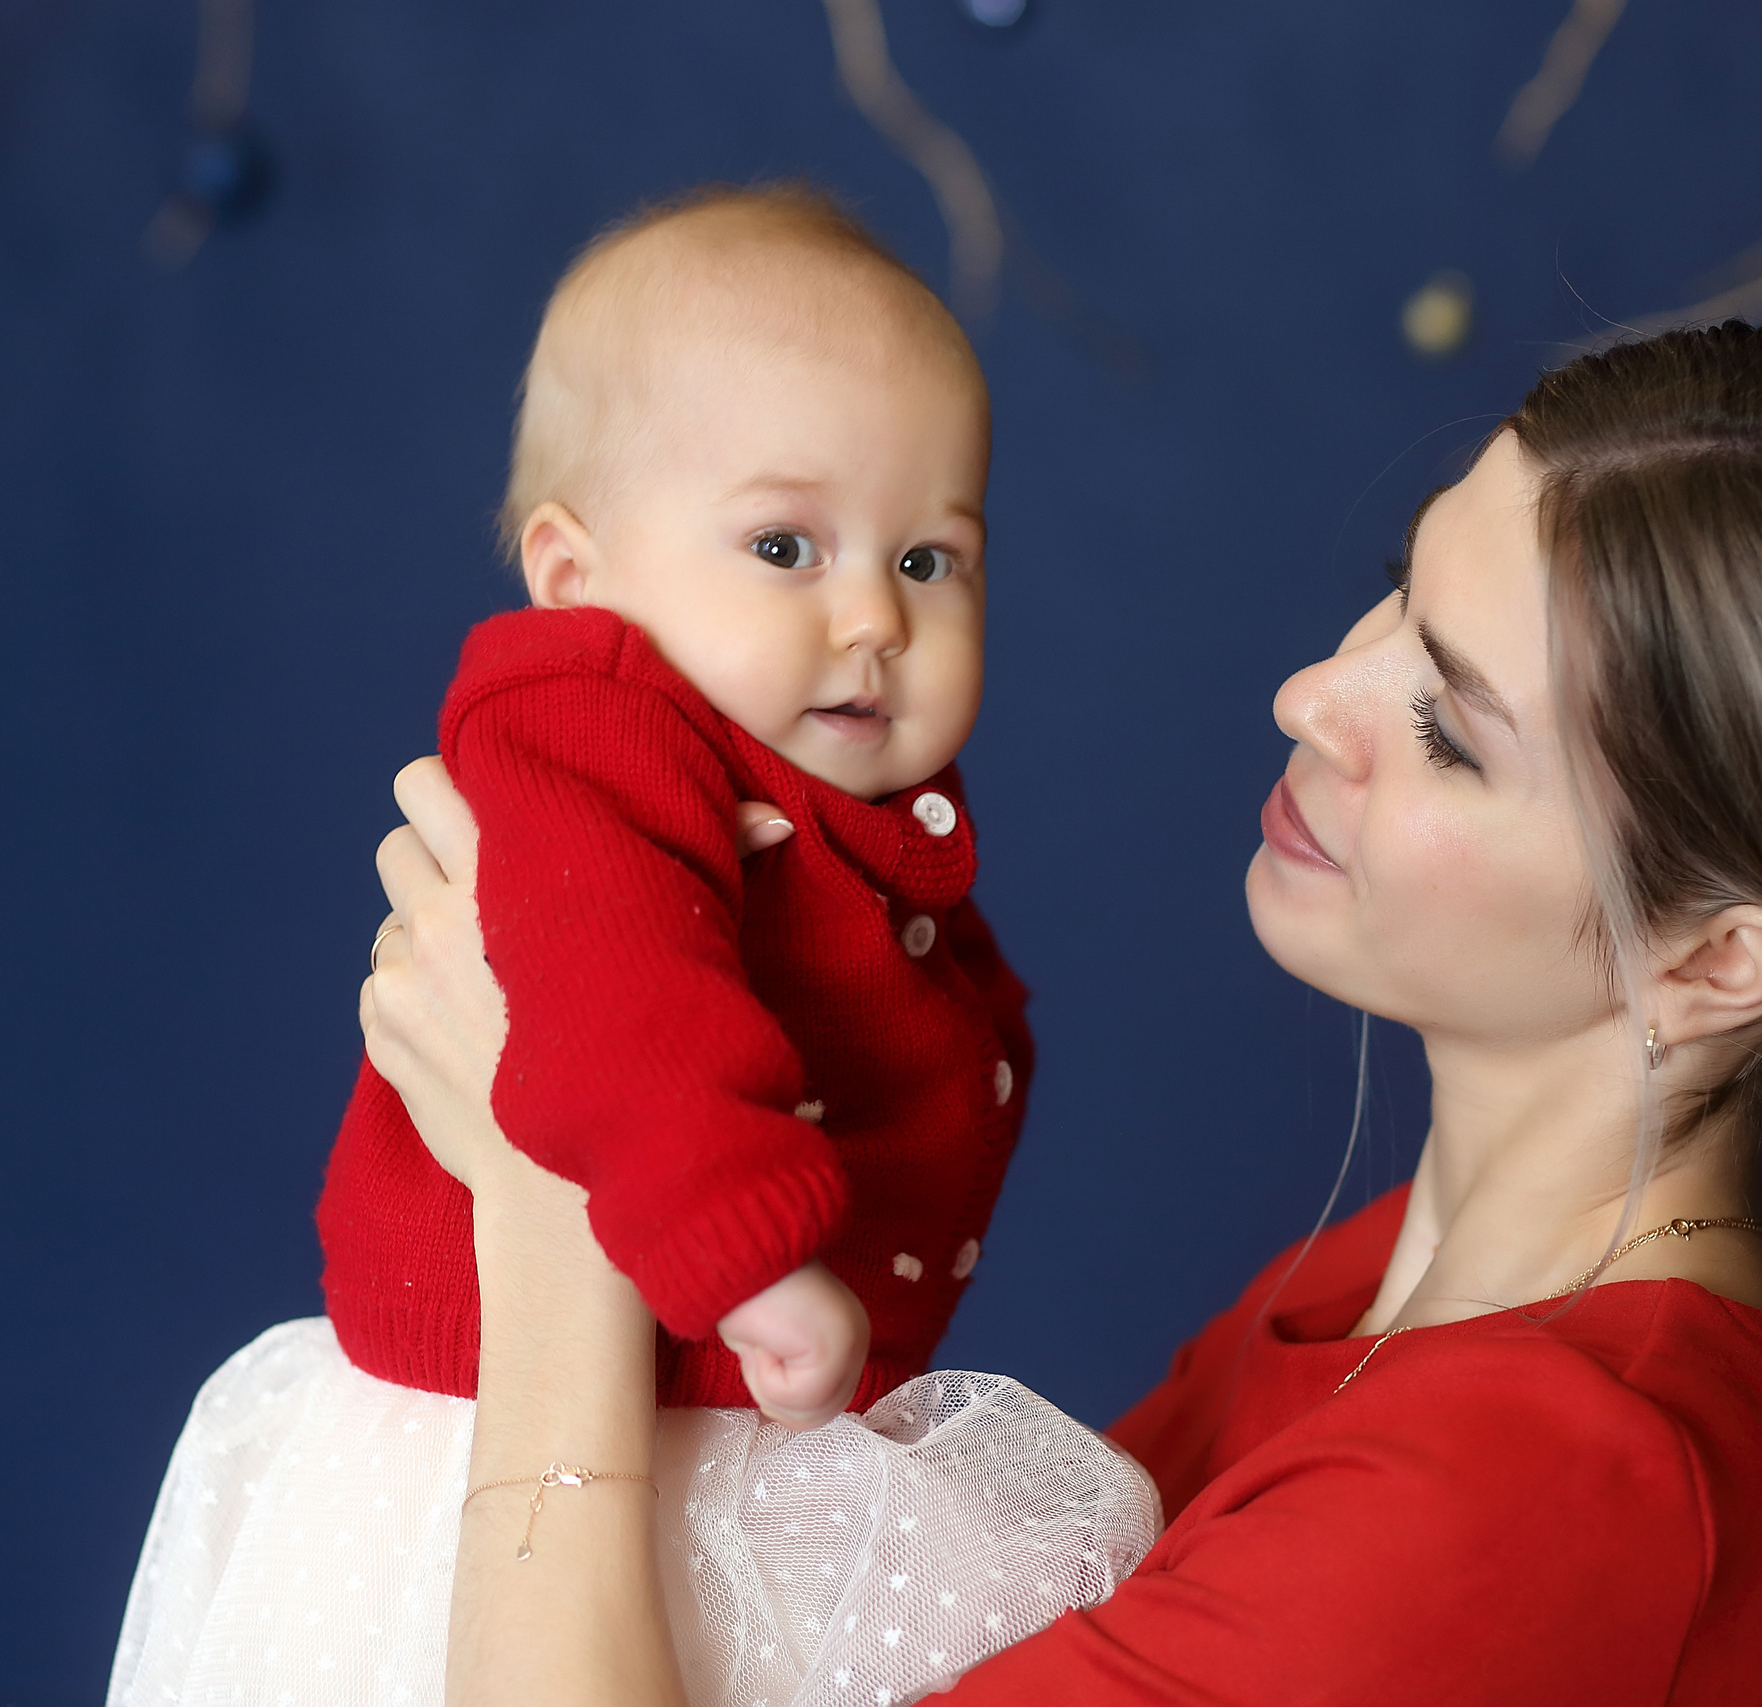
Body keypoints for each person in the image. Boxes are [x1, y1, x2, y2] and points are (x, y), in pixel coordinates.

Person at [358, 320, 1762, 1704]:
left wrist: (559, 1204)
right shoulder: (1392, 1287)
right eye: (1402, 595)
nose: (1315, 693)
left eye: (1452, 729)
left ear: (1714, 961)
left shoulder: (1550, 1488)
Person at [106, 186, 1157, 1707]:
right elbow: (619, 1005)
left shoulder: (834, 801)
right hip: (517, 1420)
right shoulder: (587, 730)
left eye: (930, 560)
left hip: (716, 1424)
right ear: (575, 579)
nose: (873, 616)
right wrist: (751, 1255)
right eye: (786, 545)